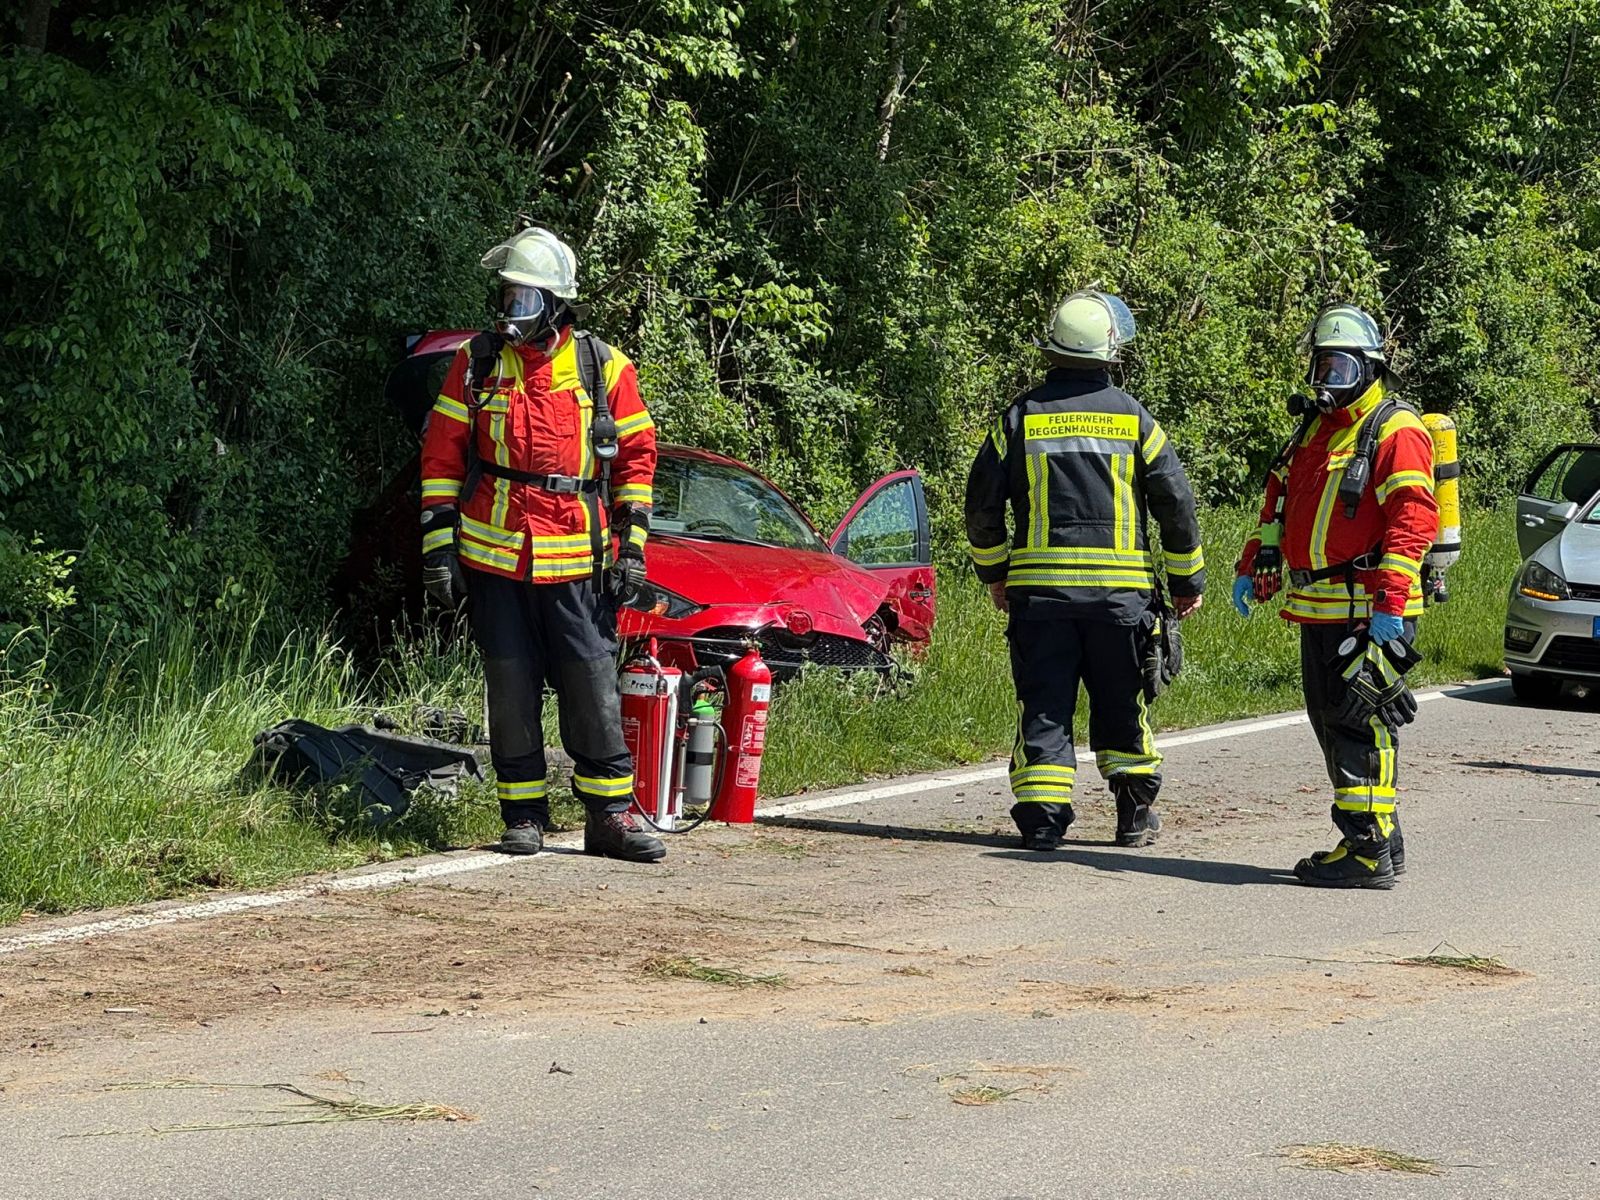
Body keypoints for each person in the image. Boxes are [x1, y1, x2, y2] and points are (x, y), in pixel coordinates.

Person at [418, 227, 665, 862]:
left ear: (555, 305)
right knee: (510, 688)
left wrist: (633, 548)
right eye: (506, 298)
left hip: (578, 560)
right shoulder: (476, 363)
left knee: (592, 687)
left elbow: (637, 463)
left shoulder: (603, 367)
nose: (511, 312)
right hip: (495, 559)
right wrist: (438, 549)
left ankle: (608, 816)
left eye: (524, 300)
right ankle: (523, 815)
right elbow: (441, 458)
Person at [965, 291, 1206, 852]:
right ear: (1110, 352)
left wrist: (994, 573)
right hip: (1121, 601)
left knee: (1044, 705)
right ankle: (1134, 814)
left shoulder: (1020, 416)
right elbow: (1175, 503)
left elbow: (981, 504)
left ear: (1052, 350)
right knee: (1122, 703)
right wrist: (1185, 581)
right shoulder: (1134, 418)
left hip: (1040, 601)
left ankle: (1043, 819)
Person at [1232, 303, 1438, 889]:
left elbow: (1414, 519)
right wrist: (1254, 565)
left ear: (1370, 368)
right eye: (1322, 366)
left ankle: (1366, 851)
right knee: (1332, 722)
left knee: (1360, 725)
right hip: (1319, 606)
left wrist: (1390, 604)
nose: (1328, 379)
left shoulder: (1395, 429)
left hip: (1367, 610)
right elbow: (1280, 505)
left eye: (1341, 366)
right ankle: (1382, 841)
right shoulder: (1315, 430)